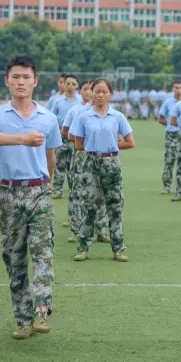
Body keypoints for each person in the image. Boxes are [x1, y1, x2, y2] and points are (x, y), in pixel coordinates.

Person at [0, 54, 61, 339]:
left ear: (35, 82)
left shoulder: (48, 117)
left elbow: (51, 157)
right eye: (16, 77)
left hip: (39, 191)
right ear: (7, 81)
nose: (21, 82)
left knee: (42, 251)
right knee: (14, 257)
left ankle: (41, 312)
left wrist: (46, 184)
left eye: (26, 77)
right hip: (9, 193)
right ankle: (23, 319)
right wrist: (21, 139)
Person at [69, 78, 134, 262]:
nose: (100, 95)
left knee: (115, 207)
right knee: (89, 206)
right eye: (97, 91)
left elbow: (130, 142)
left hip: (112, 163)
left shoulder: (118, 117)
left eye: (104, 91)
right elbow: (78, 144)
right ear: (91, 93)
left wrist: (111, 146)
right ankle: (83, 247)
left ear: (110, 94)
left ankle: (118, 249)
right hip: (90, 162)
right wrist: (96, 148)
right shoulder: (83, 117)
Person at [61, 80, 109, 244]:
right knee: (79, 193)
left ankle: (101, 230)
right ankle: (76, 230)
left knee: (101, 192)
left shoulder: (109, 112)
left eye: (92, 89)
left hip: (102, 156)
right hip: (82, 155)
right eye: (87, 89)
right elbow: (70, 134)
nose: (89, 92)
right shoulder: (80, 113)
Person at [50, 75, 82, 199]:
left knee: (74, 164)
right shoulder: (58, 101)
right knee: (59, 163)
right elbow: (52, 117)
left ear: (77, 86)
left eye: (73, 84)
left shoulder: (80, 101)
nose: (70, 86)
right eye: (68, 83)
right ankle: (57, 189)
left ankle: (73, 189)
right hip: (61, 136)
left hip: (75, 137)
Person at [158, 81, 181, 195]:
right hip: (171, 134)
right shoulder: (168, 102)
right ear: (173, 89)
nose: (178, 90)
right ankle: (167, 185)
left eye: (180, 87)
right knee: (169, 160)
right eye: (176, 87)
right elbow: (160, 117)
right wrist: (168, 125)